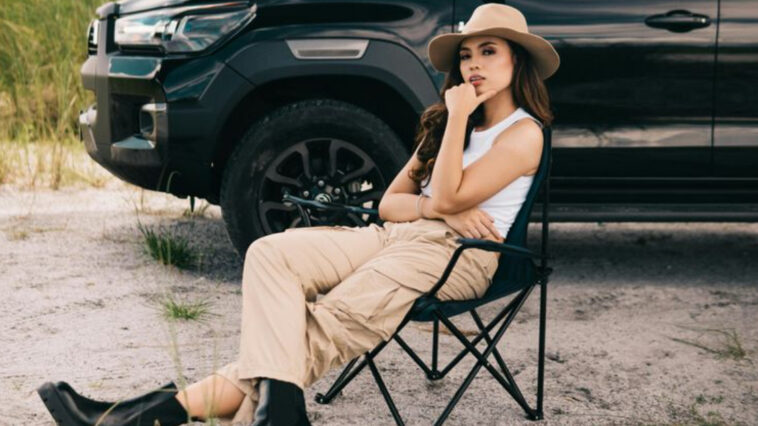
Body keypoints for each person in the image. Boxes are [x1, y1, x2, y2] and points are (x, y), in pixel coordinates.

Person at [36, 3, 559, 425]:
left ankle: (140, 414)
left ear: (518, 62)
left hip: (459, 257)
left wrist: (454, 141)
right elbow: (391, 204)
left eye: (488, 52)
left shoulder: (523, 134)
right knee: (271, 255)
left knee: (321, 323)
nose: (472, 65)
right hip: (397, 236)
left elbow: (447, 197)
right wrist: (439, 186)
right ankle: (277, 412)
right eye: (466, 54)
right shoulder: (447, 126)